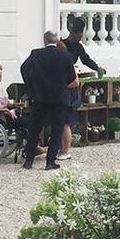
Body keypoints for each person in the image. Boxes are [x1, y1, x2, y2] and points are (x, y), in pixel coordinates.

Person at [20, 31, 79, 170]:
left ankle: (28, 160)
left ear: (44, 40)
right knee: (57, 130)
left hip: (40, 97)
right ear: (57, 40)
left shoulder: (36, 54)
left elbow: (23, 69)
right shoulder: (65, 55)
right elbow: (71, 77)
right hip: (60, 98)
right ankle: (50, 162)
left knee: (35, 128)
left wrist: (32, 86)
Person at [58, 19, 106, 162]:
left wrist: (97, 67)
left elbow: (85, 59)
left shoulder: (78, 47)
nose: (79, 38)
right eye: (78, 35)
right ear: (72, 33)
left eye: (81, 36)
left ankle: (64, 148)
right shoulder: (62, 44)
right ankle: (62, 148)